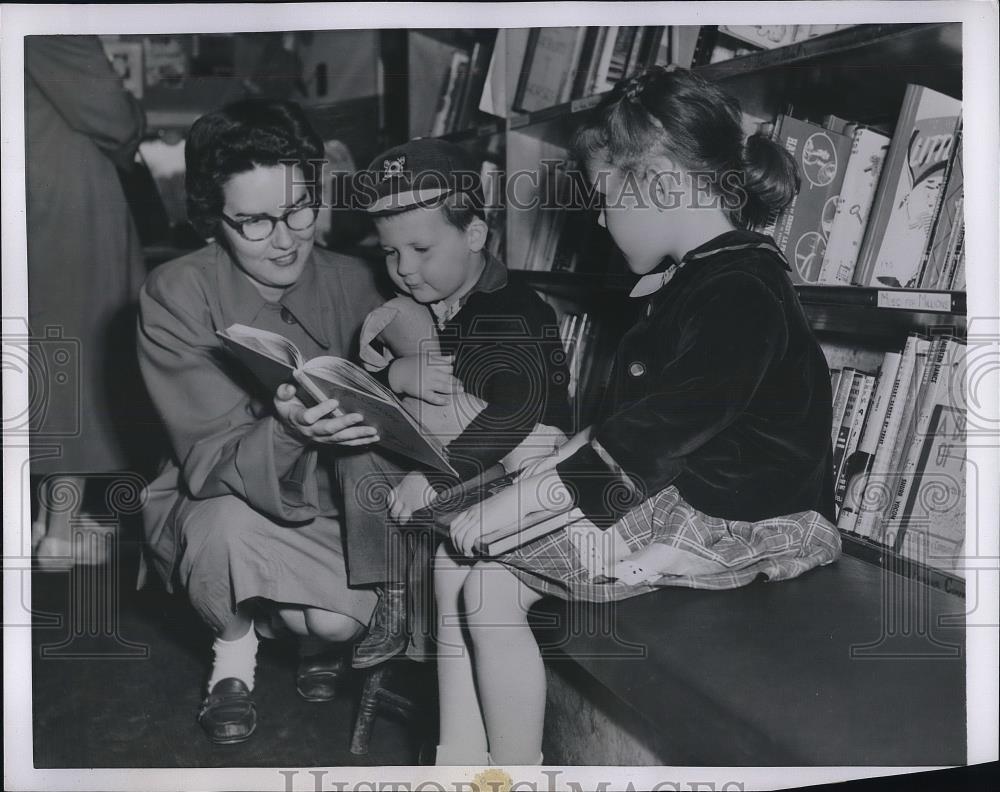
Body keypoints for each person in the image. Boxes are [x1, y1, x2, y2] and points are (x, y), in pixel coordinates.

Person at [433, 66, 840, 765]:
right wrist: (529, 489)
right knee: (461, 568)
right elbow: (622, 428)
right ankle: (474, 761)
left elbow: (649, 440)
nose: (598, 219)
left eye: (603, 200)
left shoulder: (740, 291)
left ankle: (508, 774)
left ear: (654, 185)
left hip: (736, 517)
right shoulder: (702, 279)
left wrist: (518, 507)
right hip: (674, 487)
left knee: (490, 581)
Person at [136, 99, 386, 744]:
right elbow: (207, 453)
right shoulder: (177, 291)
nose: (285, 236)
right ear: (212, 220)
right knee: (220, 531)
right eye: (253, 221)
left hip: (338, 502)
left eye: (299, 207)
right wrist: (288, 430)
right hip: (224, 494)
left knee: (330, 624)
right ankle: (234, 654)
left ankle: (308, 637)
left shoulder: (359, 280)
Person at [336, 138, 572, 669]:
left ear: (474, 235)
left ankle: (408, 606)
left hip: (517, 467)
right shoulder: (435, 304)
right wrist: (397, 372)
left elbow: (515, 413)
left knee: (412, 499)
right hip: (462, 450)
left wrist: (436, 477)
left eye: (421, 250)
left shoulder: (511, 310)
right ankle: (389, 595)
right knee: (355, 448)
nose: (403, 268)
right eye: (391, 253)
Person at [25, 36, 147, 568]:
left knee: (30, 355)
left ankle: (33, 519)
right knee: (74, 348)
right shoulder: (54, 21)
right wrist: (136, 115)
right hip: (61, 194)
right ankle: (61, 529)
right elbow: (113, 117)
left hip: (25, 185)